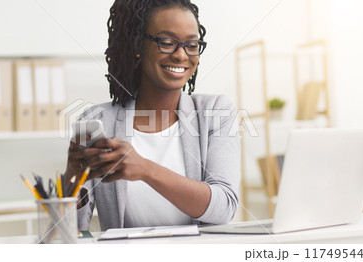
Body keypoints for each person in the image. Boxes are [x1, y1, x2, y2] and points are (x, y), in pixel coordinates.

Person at [64, 0, 241, 231]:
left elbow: (225, 206)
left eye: (192, 44)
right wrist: (72, 178)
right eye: (167, 43)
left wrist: (146, 170)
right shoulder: (99, 119)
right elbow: (72, 231)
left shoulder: (216, 111)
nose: (181, 55)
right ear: (138, 46)